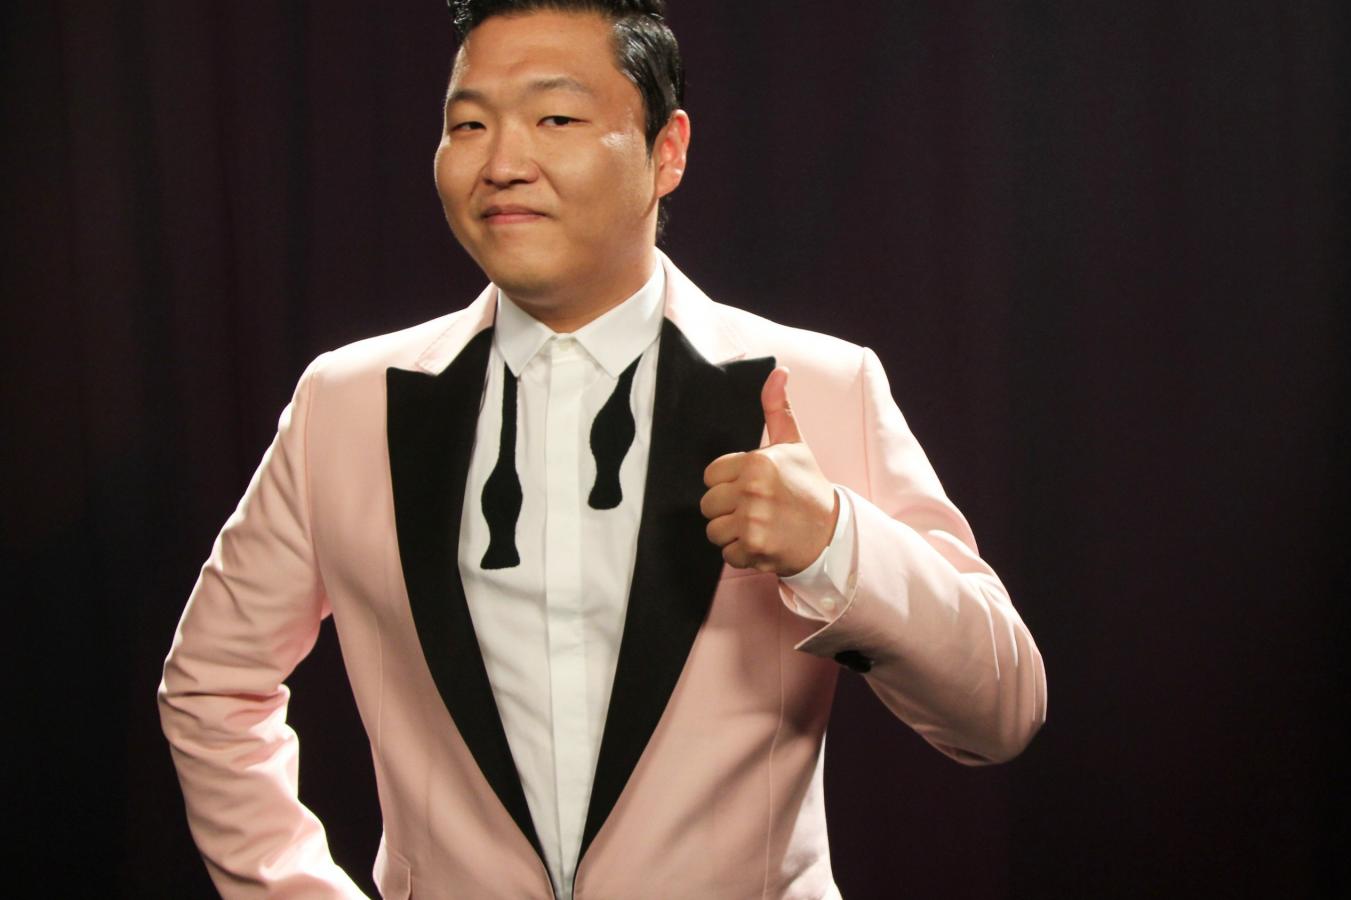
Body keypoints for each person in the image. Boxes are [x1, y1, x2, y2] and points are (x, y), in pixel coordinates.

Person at [157, 2, 1046, 897]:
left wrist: (836, 544)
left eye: (556, 118)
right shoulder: (345, 404)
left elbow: (1001, 713)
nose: (503, 163)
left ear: (668, 151)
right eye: (468, 125)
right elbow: (211, 685)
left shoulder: (818, 386)